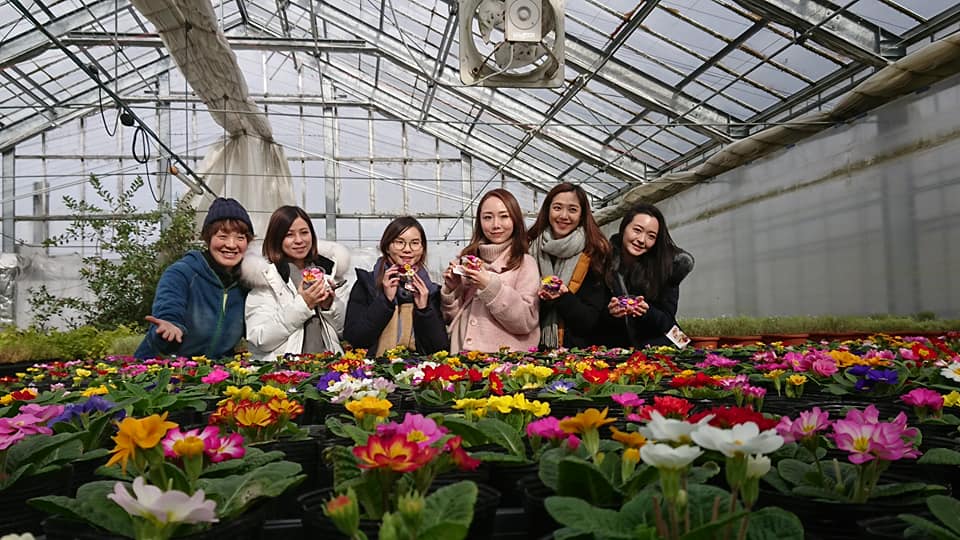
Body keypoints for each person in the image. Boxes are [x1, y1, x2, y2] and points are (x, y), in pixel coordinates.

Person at [134, 197, 253, 359]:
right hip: (163, 366)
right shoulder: (182, 273)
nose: (231, 245)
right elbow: (169, 308)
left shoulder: (246, 283)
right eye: (223, 236)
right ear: (208, 238)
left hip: (211, 370)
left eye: (240, 238)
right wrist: (170, 325)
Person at [241, 205, 346, 361]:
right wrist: (303, 304)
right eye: (289, 235)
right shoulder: (267, 278)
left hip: (327, 365)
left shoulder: (329, 272)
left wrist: (329, 306)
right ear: (276, 239)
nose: (299, 240)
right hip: (286, 370)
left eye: (304, 232)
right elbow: (260, 338)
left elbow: (343, 331)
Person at [441, 188, 540, 352]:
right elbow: (450, 317)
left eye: (504, 216)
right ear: (479, 222)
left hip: (504, 361)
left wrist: (489, 286)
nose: (496, 225)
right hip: (462, 358)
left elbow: (526, 321)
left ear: (515, 220)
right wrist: (452, 289)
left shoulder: (525, 263)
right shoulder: (467, 260)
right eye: (487, 217)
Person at [343, 217, 449, 356]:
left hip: (418, 366)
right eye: (399, 242)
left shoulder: (430, 290)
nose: (407, 249)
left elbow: (439, 348)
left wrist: (424, 309)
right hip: (376, 366)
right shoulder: (367, 284)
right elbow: (355, 339)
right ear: (387, 247)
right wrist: (385, 300)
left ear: (422, 248)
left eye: (415, 243)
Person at [598, 203, 694, 349]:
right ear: (623, 228)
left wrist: (647, 311)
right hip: (615, 347)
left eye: (651, 236)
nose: (642, 240)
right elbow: (590, 317)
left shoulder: (667, 267)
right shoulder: (603, 263)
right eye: (637, 230)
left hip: (659, 343)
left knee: (694, 354)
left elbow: (668, 322)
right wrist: (610, 312)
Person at [527, 183, 610, 349]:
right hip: (533, 349)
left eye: (572, 210)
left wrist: (563, 297)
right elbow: (522, 312)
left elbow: (592, 320)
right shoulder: (529, 248)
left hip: (578, 352)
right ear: (548, 210)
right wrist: (542, 299)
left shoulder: (593, 253)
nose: (564, 216)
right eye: (557, 208)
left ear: (582, 215)